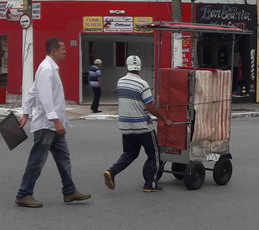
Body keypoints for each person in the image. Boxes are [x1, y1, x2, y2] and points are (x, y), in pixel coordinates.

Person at [15, 37, 91, 208]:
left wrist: (26, 113)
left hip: (51, 124)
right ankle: (23, 194)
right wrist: (56, 121)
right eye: (63, 48)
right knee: (37, 160)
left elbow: (32, 91)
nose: (65, 51)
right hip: (47, 125)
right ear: (53, 51)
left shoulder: (49, 68)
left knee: (63, 157)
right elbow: (45, 97)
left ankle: (69, 190)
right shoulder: (47, 69)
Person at [103, 55, 173, 192]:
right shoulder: (143, 84)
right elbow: (150, 107)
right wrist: (165, 120)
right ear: (139, 68)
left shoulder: (120, 82)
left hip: (125, 126)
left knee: (129, 154)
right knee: (155, 155)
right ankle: (150, 185)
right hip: (142, 127)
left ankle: (111, 172)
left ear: (127, 66)